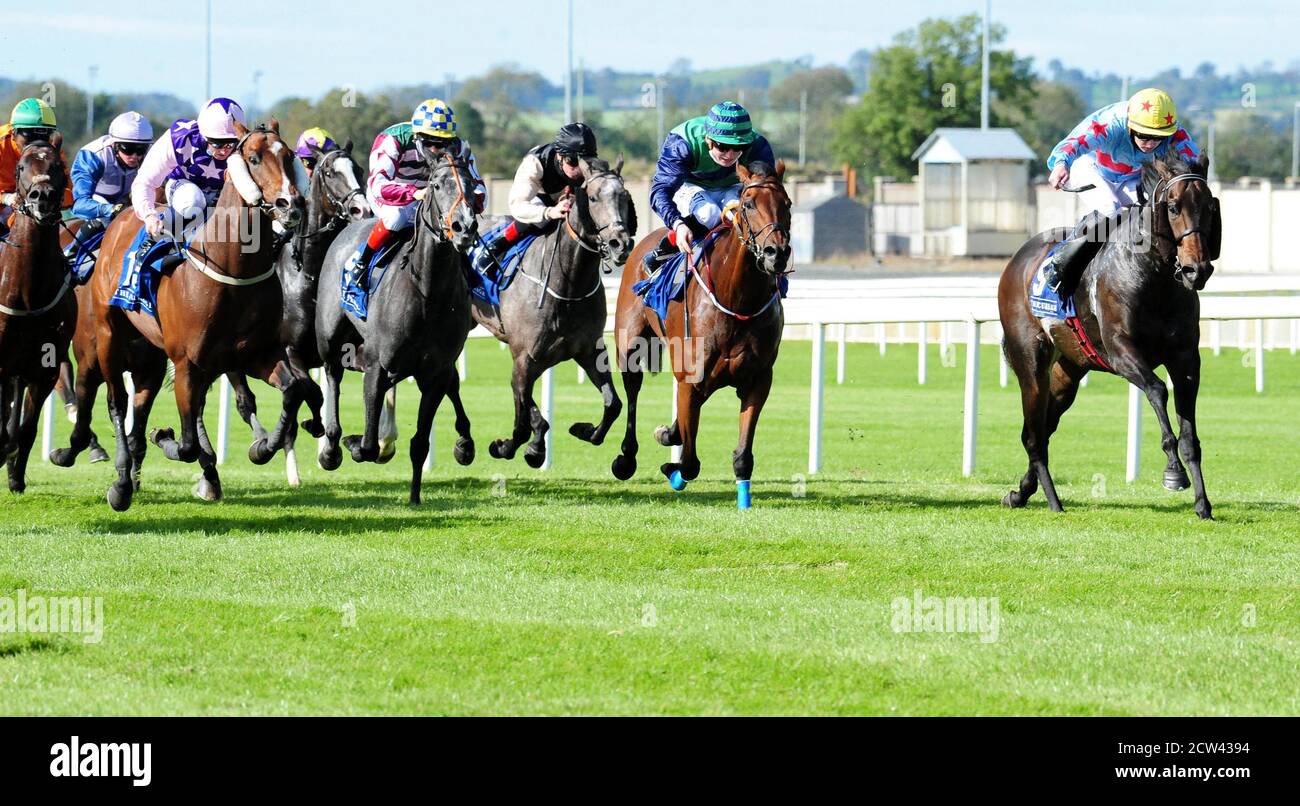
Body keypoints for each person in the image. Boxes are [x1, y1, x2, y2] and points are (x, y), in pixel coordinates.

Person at [1039, 87, 1202, 295]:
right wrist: (1061, 163)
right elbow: (1075, 142)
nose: (1150, 143)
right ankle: (1061, 263)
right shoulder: (1111, 123)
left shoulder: (1175, 134)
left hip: (1132, 175)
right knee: (1111, 209)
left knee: (1147, 216)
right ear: (1130, 126)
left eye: (1157, 137)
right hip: (1092, 168)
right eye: (1143, 136)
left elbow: (1195, 165)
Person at [340, 98, 485, 318]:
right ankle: (360, 266)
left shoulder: (459, 147)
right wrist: (413, 193)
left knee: (462, 220)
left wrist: (469, 202)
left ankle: (470, 272)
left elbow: (479, 188)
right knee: (397, 216)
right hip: (392, 194)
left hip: (432, 199)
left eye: (442, 142)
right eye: (429, 143)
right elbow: (377, 185)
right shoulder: (392, 140)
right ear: (417, 136)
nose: (436, 149)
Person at [643, 100, 775, 272]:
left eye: (738, 147)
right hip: (689, 186)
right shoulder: (682, 143)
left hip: (732, 186)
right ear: (708, 139)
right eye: (723, 146)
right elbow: (660, 191)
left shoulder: (757, 145)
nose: (730, 155)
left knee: (739, 217)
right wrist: (678, 224)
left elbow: (767, 192)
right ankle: (665, 248)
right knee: (709, 213)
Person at [472, 122, 596, 278]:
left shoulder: (588, 168)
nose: (579, 169)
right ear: (559, 155)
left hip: (566, 197)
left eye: (586, 162)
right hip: (539, 197)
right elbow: (518, 206)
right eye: (573, 161)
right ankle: (497, 246)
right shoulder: (535, 162)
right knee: (543, 220)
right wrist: (550, 211)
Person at [130, 97, 247, 262]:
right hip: (183, 186)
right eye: (218, 143)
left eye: (231, 144)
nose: (224, 151)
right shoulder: (179, 138)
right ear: (204, 135)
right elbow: (145, 181)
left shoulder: (246, 146)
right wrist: (149, 215)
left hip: (221, 194)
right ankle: (154, 239)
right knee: (192, 200)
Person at [0, 98, 74, 238]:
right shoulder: (1, 144)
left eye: (44, 137)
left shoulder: (52, 151)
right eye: (30, 137)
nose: (36, 144)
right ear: (14, 132)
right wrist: (5, 198)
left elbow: (70, 194)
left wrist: (53, 197)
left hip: (27, 212)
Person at [71, 111, 154, 224]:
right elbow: (79, 204)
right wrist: (110, 209)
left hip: (132, 201)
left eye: (141, 149)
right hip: (98, 200)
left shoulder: (153, 156)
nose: (134, 156)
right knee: (103, 221)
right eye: (128, 148)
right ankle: (77, 243)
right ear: (114, 145)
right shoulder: (93, 156)